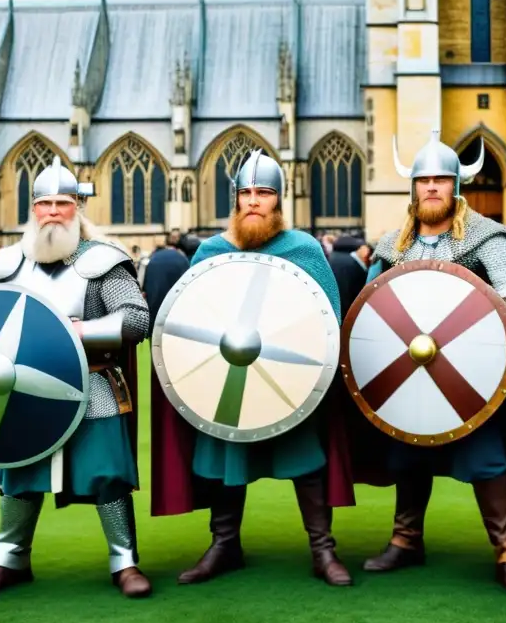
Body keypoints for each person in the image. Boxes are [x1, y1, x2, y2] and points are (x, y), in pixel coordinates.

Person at [151, 151, 355, 587]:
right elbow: (195, 313)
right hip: (229, 374)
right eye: (245, 193)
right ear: (235, 201)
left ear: (278, 200)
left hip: (290, 379)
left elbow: (327, 320)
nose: (253, 201)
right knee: (229, 453)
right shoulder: (212, 250)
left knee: (307, 460)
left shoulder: (303, 249)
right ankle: (225, 545)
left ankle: (323, 549)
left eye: (263, 193)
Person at [0, 158, 151, 600]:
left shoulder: (103, 260)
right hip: (21, 389)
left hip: (93, 383)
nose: (51, 211)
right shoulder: (7, 263)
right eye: (43, 202)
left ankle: (125, 562)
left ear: (77, 206)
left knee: (107, 473)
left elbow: (137, 320)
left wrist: (79, 330)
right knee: (20, 470)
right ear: (33, 207)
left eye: (62, 203)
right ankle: (9, 558)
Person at [360, 132, 506, 598]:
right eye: (424, 180)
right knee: (409, 453)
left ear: (456, 185)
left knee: (486, 460)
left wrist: (472, 321)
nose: (432, 187)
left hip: (470, 374)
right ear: (413, 189)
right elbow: (369, 311)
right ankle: (405, 540)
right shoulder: (391, 246)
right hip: (409, 373)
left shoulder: (486, 236)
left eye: (441, 179)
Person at [327, 235, 371, 319]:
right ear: (359, 248)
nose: (367, 251)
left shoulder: (332, 257)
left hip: (334, 306)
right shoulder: (353, 262)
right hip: (347, 309)